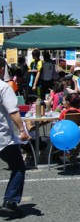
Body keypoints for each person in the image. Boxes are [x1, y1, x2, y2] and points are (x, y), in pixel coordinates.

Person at [0, 58, 30, 217]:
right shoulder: (4, 87)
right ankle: (10, 202)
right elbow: (13, 111)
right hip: (3, 137)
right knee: (18, 167)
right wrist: (22, 130)